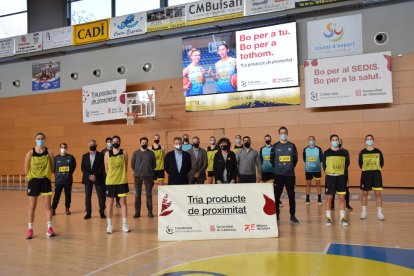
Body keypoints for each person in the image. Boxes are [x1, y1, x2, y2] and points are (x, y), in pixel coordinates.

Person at [24, 132, 56, 239]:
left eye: (42, 138)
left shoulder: (49, 152)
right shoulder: (30, 153)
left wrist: (46, 175)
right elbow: (26, 168)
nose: (40, 140)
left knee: (48, 207)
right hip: (33, 182)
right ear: (35, 139)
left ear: (45, 140)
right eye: (38, 138)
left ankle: (49, 228)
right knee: (32, 207)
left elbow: (52, 167)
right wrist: (30, 178)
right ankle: (30, 229)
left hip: (45, 181)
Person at [270, 126, 299, 224]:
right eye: (281, 133)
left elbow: (295, 159)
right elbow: (271, 159)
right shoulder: (275, 146)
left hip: (290, 176)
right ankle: (276, 215)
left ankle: (292, 215)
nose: (283, 134)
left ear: (287, 134)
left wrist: (289, 167)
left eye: (285, 132)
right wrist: (279, 168)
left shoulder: (292, 145)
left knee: (292, 196)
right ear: (279, 134)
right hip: (278, 175)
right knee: (276, 196)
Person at [104, 135, 130, 234]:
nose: (115, 142)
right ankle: (109, 225)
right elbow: (106, 169)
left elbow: (126, 167)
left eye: (117, 141)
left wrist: (120, 175)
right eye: (114, 141)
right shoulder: (107, 154)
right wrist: (112, 176)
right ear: (111, 143)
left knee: (123, 202)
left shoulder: (124, 153)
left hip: (122, 181)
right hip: (110, 182)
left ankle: (124, 224)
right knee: (109, 203)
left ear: (120, 142)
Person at [323, 134, 350, 227]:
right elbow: (324, 166)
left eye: (336, 140)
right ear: (330, 141)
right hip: (330, 178)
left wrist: (345, 177)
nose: (335, 141)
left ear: (339, 141)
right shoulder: (326, 153)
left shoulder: (344, 153)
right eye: (333, 140)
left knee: (342, 198)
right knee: (329, 198)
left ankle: (342, 218)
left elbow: (346, 165)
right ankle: (328, 218)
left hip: (341, 178)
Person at [358, 135, 385, 220]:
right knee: (365, 193)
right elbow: (360, 164)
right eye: (367, 139)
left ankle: (380, 213)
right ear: (365, 141)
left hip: (376, 174)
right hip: (366, 175)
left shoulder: (378, 151)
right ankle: (364, 212)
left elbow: (381, 163)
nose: (369, 140)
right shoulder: (362, 152)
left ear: (373, 140)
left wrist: (374, 169)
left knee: (378, 194)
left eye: (371, 139)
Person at [131, 137, 156, 218]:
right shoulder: (135, 153)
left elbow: (154, 165)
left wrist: (148, 171)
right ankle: (137, 212)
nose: (144, 144)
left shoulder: (151, 153)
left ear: (147, 143)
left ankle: (150, 212)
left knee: (149, 195)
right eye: (142, 142)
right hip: (137, 176)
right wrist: (138, 171)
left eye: (145, 142)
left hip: (148, 176)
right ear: (140, 143)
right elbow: (132, 165)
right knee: (137, 195)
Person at [81, 139, 106, 219]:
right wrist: (89, 175)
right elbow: (83, 168)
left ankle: (102, 212)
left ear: (96, 145)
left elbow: (102, 167)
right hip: (87, 179)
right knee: (87, 196)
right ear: (88, 146)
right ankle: (88, 213)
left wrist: (95, 175)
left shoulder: (101, 155)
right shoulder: (84, 156)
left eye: (94, 144)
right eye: (91, 144)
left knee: (101, 196)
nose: (92, 146)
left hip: (98, 178)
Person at [52, 143, 76, 216]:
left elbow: (73, 167)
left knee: (68, 195)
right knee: (56, 195)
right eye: (62, 147)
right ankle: (53, 209)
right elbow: (53, 169)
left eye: (65, 147)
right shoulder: (56, 158)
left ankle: (67, 208)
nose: (63, 148)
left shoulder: (71, 157)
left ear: (67, 148)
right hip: (58, 181)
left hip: (68, 180)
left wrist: (68, 173)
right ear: (59, 148)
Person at [260, 135, 283, 208]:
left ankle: (276, 200)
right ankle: (265, 201)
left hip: (273, 171)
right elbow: (261, 160)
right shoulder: (262, 149)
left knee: (273, 187)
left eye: (268, 139)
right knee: (264, 187)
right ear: (264, 140)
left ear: (270, 139)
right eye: (266, 139)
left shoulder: (274, 148)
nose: (267, 140)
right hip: (264, 171)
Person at [331, 138, 353, 211]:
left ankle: (347, 204)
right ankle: (332, 205)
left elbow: (347, 162)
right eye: (337, 141)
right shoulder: (331, 151)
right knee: (333, 189)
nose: (338, 143)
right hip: (333, 174)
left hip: (343, 174)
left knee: (346, 189)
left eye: (340, 142)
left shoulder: (345, 151)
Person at [303, 136, 323, 205]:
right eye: (309, 139)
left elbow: (321, 159)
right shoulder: (305, 149)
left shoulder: (318, 149)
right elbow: (304, 159)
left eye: (312, 139)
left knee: (318, 184)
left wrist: (317, 165)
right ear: (308, 141)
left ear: (314, 140)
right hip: (308, 170)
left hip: (317, 170)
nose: (311, 141)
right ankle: (307, 198)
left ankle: (319, 198)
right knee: (308, 184)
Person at [102, 137, 121, 209]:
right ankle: (104, 203)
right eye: (108, 141)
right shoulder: (103, 152)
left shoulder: (117, 151)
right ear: (106, 143)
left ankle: (117, 202)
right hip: (106, 175)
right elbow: (102, 163)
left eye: (110, 141)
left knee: (117, 190)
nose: (109, 143)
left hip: (116, 175)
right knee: (106, 190)